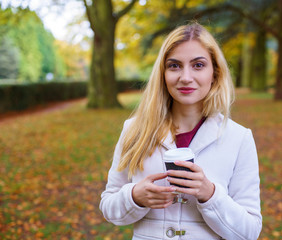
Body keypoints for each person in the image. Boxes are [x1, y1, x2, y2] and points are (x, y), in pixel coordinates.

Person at [99, 22, 262, 240]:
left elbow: (249, 231)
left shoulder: (238, 138)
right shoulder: (135, 130)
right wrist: (134, 197)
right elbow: (109, 208)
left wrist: (210, 195)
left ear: (214, 73)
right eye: (174, 66)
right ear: (163, 74)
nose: (185, 77)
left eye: (198, 65)